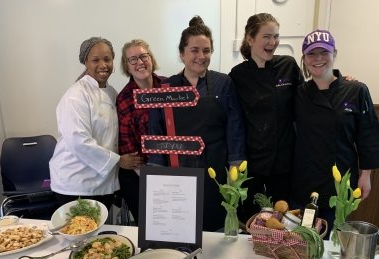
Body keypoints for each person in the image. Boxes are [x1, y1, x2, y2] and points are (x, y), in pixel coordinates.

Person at [147, 16, 247, 232]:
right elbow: (157, 133)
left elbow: (234, 128)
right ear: (182, 53)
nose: (201, 56)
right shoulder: (166, 87)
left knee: (215, 230)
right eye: (194, 50)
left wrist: (235, 169)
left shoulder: (223, 83)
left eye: (206, 50)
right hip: (178, 174)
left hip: (216, 173)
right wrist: (156, 177)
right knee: (181, 230)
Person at [291, 29, 379, 234]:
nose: (318, 59)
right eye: (311, 53)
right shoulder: (299, 92)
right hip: (304, 178)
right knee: (301, 240)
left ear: (334, 53)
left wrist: (366, 176)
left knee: (332, 241)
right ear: (304, 59)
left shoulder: (356, 90)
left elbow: (368, 135)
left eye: (324, 52)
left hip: (340, 179)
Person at [49, 37, 144, 210]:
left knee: (98, 236)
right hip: (77, 183)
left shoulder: (113, 93)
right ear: (85, 62)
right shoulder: (76, 95)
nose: (103, 65)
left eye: (107, 59)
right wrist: (118, 161)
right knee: (82, 235)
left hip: (102, 183)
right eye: (95, 60)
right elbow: (79, 141)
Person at [228, 13, 303, 223]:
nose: (273, 42)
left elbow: (309, 96)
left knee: (282, 218)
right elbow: (232, 117)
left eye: (276, 36)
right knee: (252, 219)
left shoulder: (288, 65)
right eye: (267, 37)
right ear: (250, 39)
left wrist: (340, 80)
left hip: (284, 160)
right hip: (252, 161)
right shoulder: (237, 75)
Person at [116, 39, 166, 225]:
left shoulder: (169, 86)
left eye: (144, 56)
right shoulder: (125, 99)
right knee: (151, 225)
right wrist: (154, 183)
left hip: (173, 168)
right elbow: (130, 153)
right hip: (141, 172)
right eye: (133, 59)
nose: (140, 62)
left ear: (151, 58)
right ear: (127, 66)